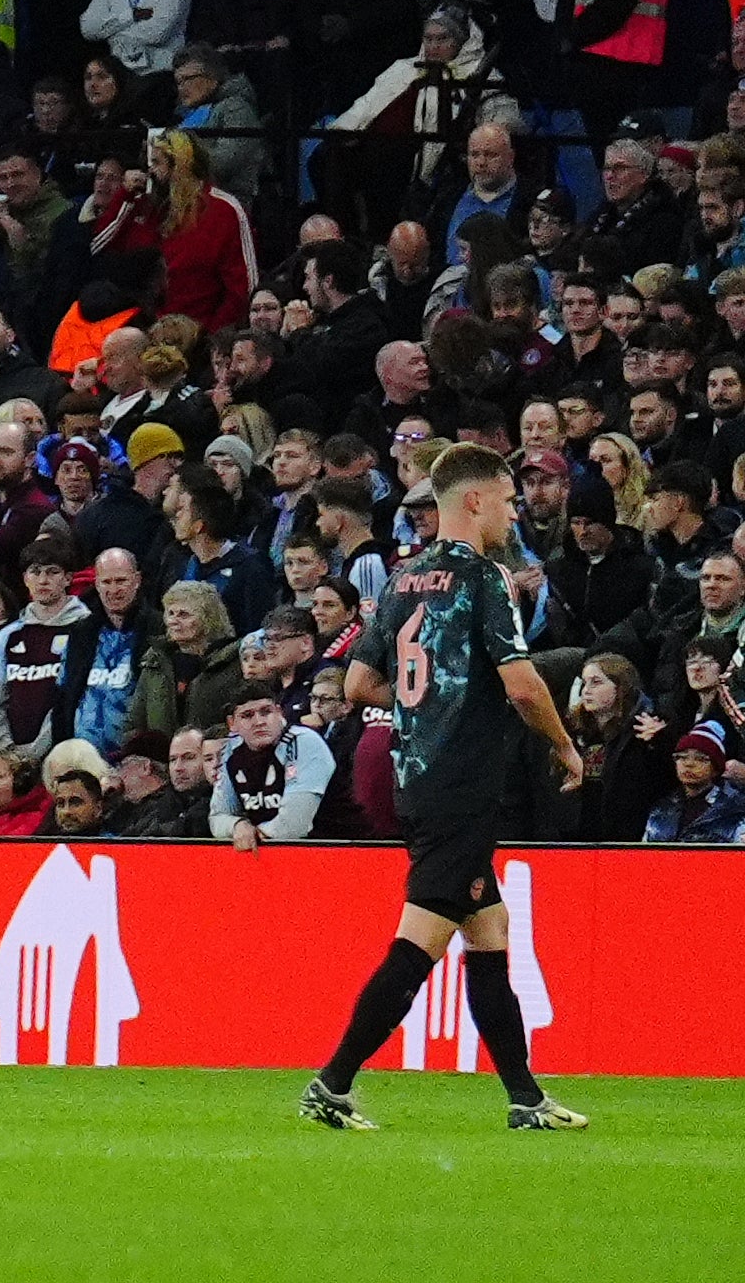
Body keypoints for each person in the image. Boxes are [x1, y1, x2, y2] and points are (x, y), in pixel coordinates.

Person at [304, 444, 591, 1134]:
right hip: (462, 783)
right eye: (505, 498)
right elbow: (522, 685)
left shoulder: (405, 577)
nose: (512, 510)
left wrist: (425, 707)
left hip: (417, 779)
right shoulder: (482, 577)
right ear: (473, 501)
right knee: (420, 939)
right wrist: (564, 744)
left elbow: (358, 684)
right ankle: (332, 1083)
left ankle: (525, 1099)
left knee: (489, 930)